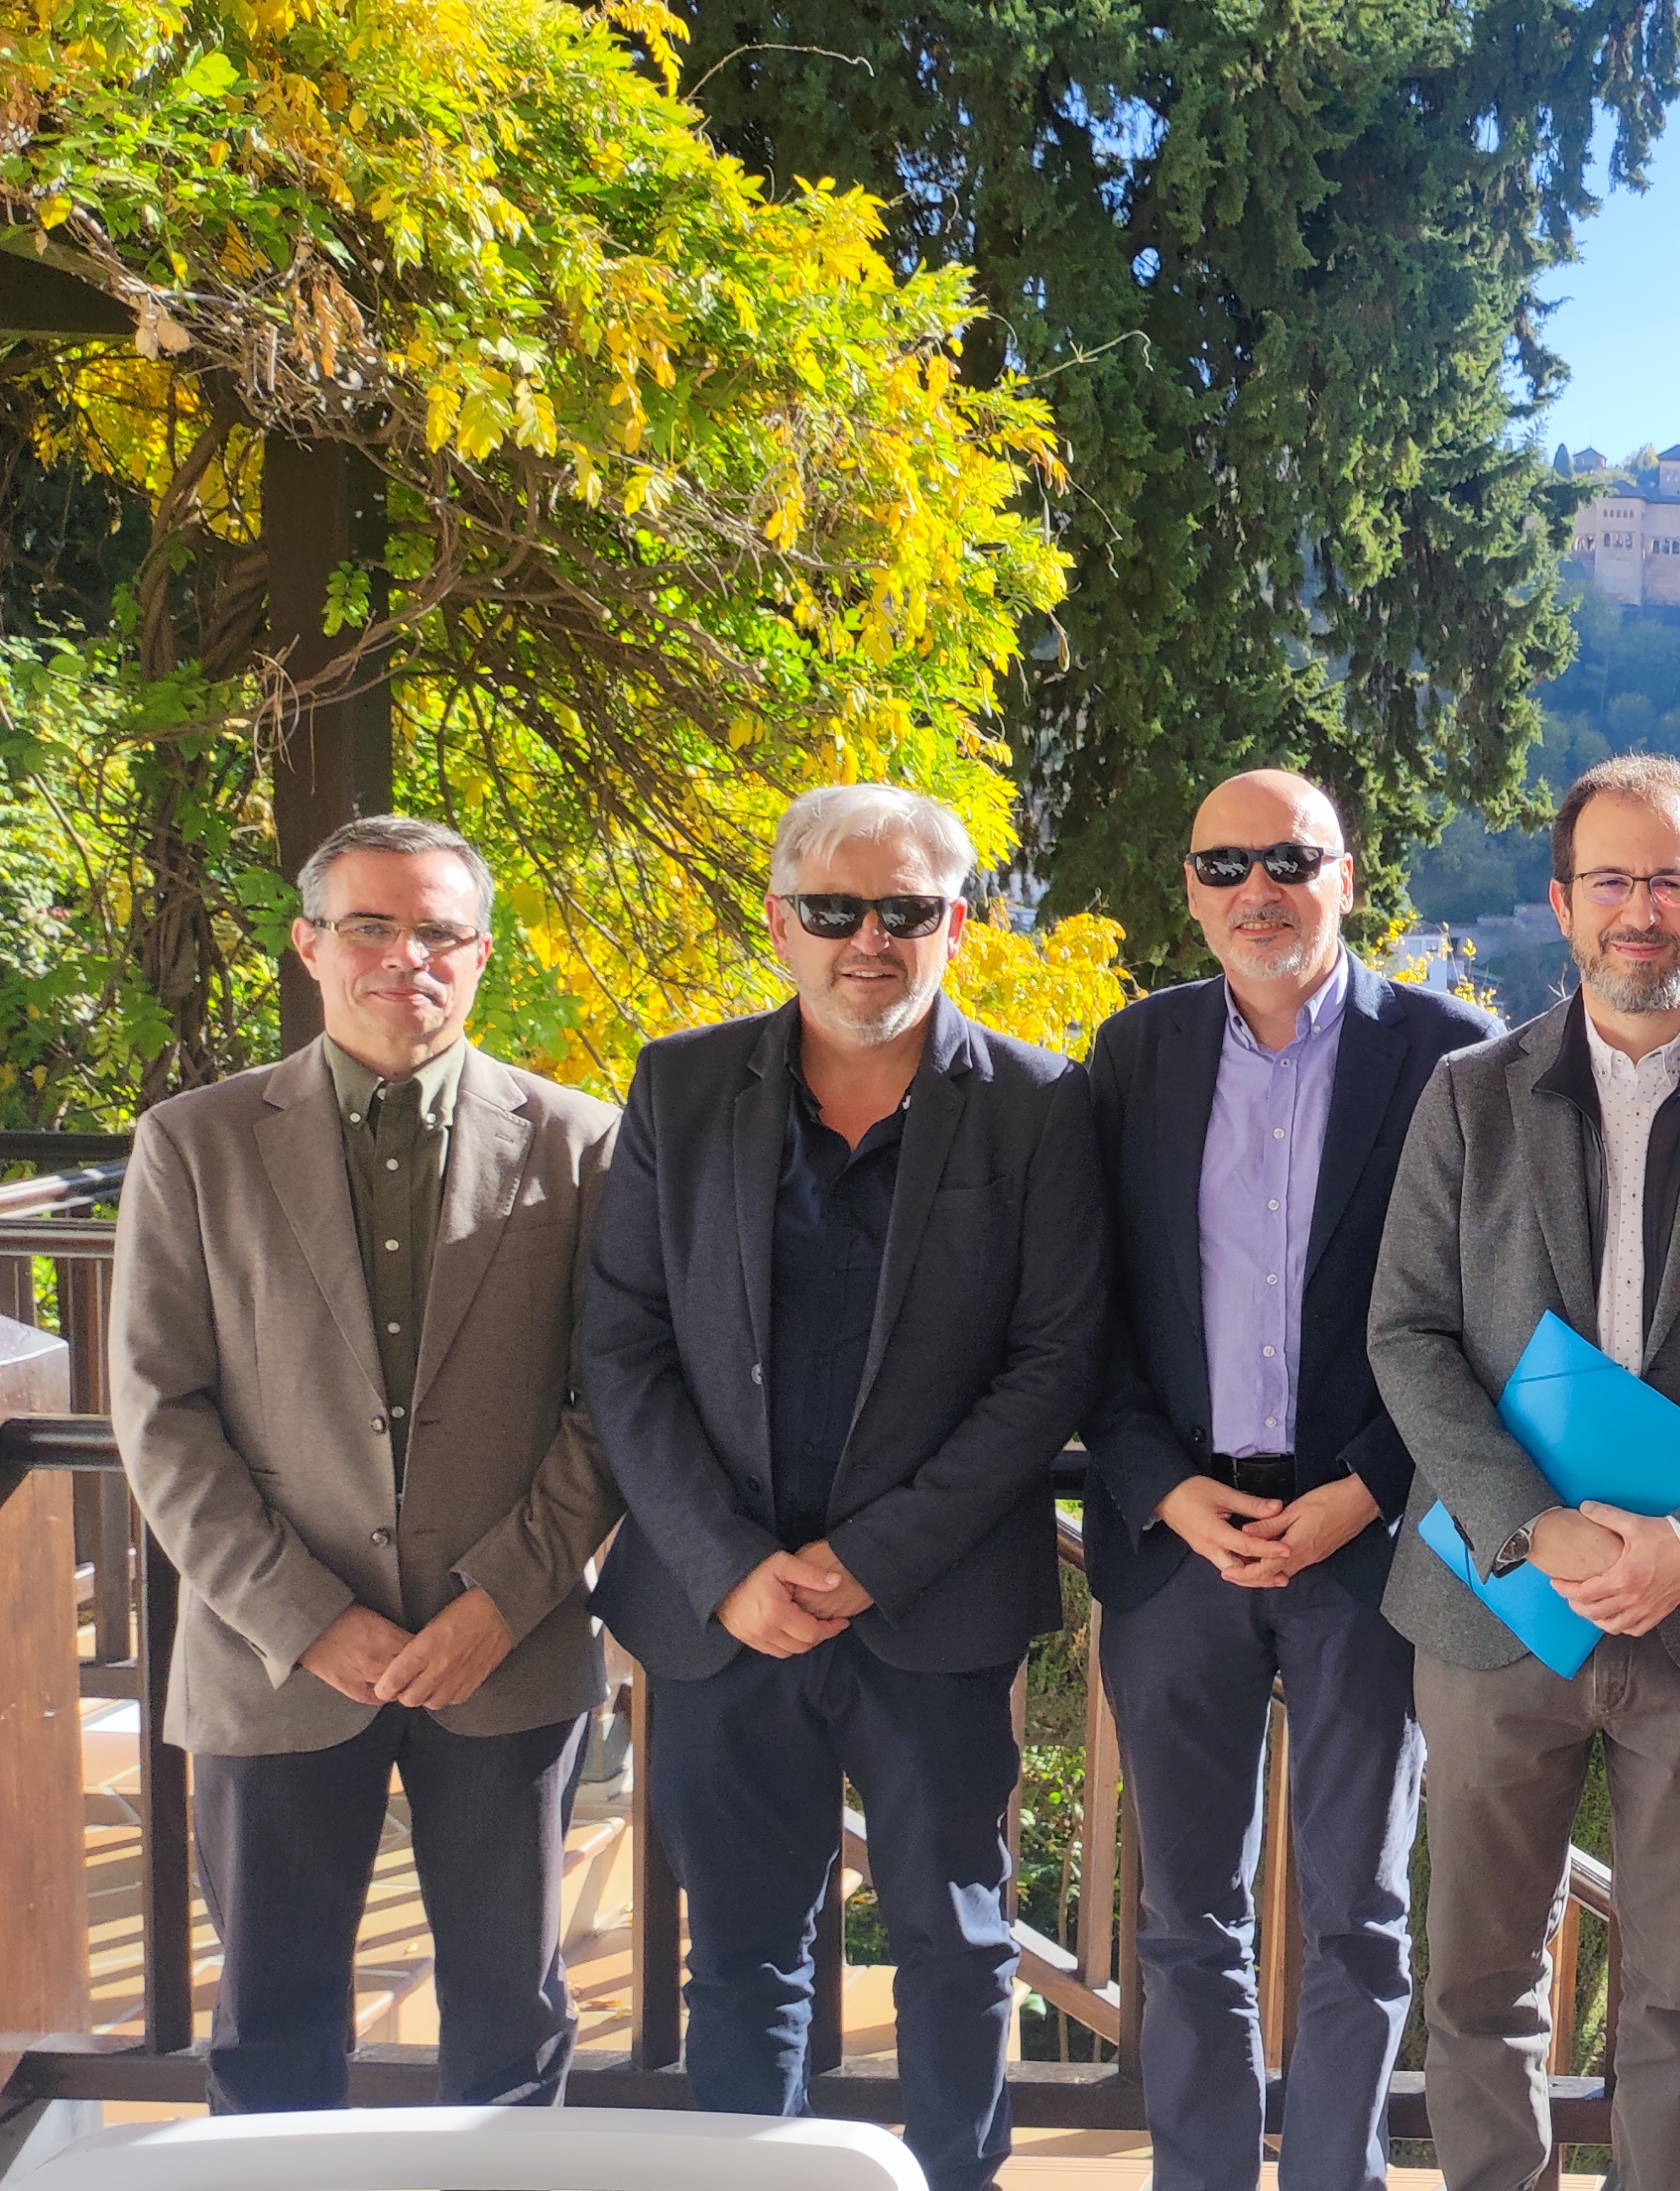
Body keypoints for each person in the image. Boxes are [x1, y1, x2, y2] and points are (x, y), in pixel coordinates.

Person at [581, 784, 1105, 2191]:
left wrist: (876, 1555)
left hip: (929, 1612)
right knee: (744, 1956)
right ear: (778, 922)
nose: (868, 941)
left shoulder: (1043, 1109)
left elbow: (1053, 1364)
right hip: (720, 1612)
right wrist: (723, 1565)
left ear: (957, 924)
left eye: (907, 911)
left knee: (955, 1941)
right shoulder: (679, 1089)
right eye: (834, 911)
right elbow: (620, 1347)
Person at [1366, 753, 1680, 2191]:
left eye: (1668, 879)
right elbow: (1403, 1331)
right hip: (1498, 1602)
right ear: (1562, 902)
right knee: (1471, 1982)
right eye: (1611, 880)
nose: (1639, 909)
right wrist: (1532, 1524)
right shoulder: (1470, 1095)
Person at [110, 816, 621, 2115]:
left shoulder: (583, 1143)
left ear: (481, 952)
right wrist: (308, 1617)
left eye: (440, 930)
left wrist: (497, 1602)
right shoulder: (194, 1142)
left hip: (503, 1657)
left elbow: (612, 1405)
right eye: (372, 927)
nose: (409, 957)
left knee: (511, 2027)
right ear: (310, 944)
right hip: (272, 1657)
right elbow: (160, 1413)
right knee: (272, 2028)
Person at [1081, 770, 1501, 2191]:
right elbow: (1092, 1311)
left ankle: (1338, 2178)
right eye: (1222, 866)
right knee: (1184, 1917)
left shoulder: (1452, 1056)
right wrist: (1163, 1489)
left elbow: (1484, 1316)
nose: (1256, 890)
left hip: (1369, 1543)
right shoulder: (1131, 1055)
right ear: (1188, 889)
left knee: (1358, 1914)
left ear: (1346, 873)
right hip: (1176, 1544)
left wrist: (1371, 1488)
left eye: (1287, 859)